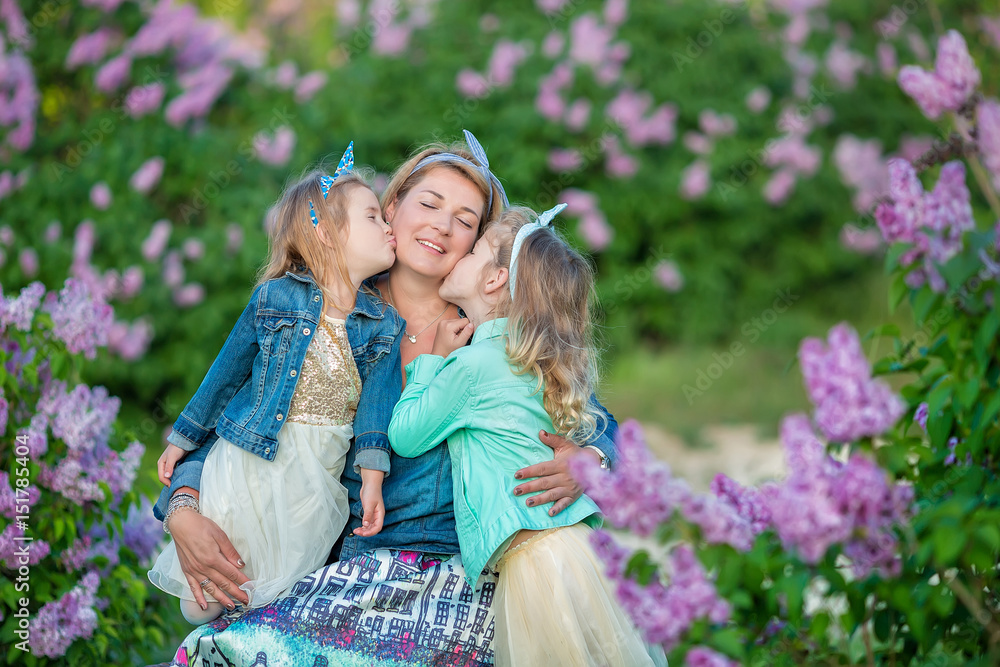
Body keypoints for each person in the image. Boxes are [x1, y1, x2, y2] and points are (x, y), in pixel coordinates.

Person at [153, 132, 621, 666]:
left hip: (459, 572)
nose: (443, 226)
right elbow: (236, 414)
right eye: (429, 204)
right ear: (390, 210)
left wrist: (594, 459)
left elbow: (592, 417)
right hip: (343, 563)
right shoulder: (324, 315)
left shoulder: (498, 340)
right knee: (220, 651)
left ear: (482, 252)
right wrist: (182, 509)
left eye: (466, 220)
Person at [388, 205, 657, 667]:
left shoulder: (470, 365)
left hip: (536, 562)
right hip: (580, 551)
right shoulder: (540, 361)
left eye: (472, 251)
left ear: (493, 281)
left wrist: (430, 361)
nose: (459, 256)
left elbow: (406, 436)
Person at [148, 145, 402, 624]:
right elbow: (225, 373)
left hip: (318, 475)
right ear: (325, 233)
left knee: (278, 589)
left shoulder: (383, 324)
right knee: (205, 599)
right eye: (373, 216)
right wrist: (183, 438)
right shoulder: (275, 298)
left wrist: (372, 475)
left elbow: (376, 408)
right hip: (249, 459)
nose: (388, 226)